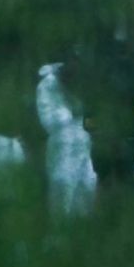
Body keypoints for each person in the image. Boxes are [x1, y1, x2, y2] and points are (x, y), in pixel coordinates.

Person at [37, 63, 97, 218]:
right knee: (63, 190)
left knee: (87, 188)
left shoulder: (81, 81)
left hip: (84, 146)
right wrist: (69, 113)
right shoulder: (47, 85)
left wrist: (91, 131)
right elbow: (47, 121)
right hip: (62, 146)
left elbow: (90, 115)